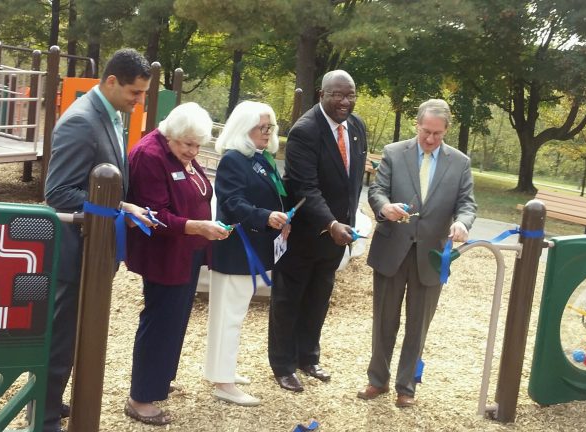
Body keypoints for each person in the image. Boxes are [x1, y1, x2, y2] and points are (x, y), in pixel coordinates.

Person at [43, 48, 154, 432]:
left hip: (92, 251)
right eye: (134, 93)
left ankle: (53, 401)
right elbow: (58, 192)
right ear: (110, 81)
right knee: (62, 337)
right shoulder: (81, 122)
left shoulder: (108, 114)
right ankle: (43, 416)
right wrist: (120, 206)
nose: (139, 101)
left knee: (74, 333)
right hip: (76, 253)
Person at [357, 98, 477, 408]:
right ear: (417, 125)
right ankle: (377, 381)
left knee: (418, 324)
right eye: (426, 131)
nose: (430, 139)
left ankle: (406, 387)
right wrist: (384, 206)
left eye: (437, 134)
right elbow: (377, 190)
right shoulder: (395, 153)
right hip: (392, 248)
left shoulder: (460, 162)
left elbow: (467, 203)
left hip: (432, 255)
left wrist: (463, 223)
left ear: (446, 130)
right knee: (384, 320)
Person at [123, 102, 230, 425]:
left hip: (186, 252)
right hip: (164, 253)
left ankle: (159, 382)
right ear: (171, 135)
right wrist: (197, 226)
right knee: (159, 322)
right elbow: (154, 216)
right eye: (188, 144)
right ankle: (140, 396)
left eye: (198, 145)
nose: (193, 151)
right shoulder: (150, 156)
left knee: (175, 321)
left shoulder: (180, 152)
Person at [268, 70, 367, 392]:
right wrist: (330, 223)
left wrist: (347, 221)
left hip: (337, 236)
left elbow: (352, 183)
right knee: (289, 300)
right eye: (337, 94)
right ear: (321, 94)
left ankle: (307, 357)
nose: (344, 101)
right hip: (305, 235)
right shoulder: (305, 131)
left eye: (350, 94)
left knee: (318, 299)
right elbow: (305, 188)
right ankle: (283, 365)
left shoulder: (356, 128)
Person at [204, 101, 289, 406]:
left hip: (250, 245)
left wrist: (277, 216)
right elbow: (232, 202)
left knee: (231, 314)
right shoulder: (233, 160)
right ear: (244, 128)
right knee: (229, 316)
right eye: (262, 127)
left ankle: (220, 370)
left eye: (270, 127)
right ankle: (223, 382)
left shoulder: (260, 158)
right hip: (235, 248)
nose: (268, 133)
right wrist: (266, 216)